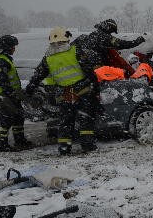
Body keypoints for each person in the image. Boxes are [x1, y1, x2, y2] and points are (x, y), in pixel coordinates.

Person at [25, 27, 99, 155]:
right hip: (82, 92)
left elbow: (38, 75)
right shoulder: (75, 51)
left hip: (63, 95)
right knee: (85, 118)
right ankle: (87, 145)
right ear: (65, 39)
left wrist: (30, 88)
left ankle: (64, 147)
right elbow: (88, 69)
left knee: (66, 121)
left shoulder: (47, 58)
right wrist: (95, 86)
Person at [0, 35, 33, 152]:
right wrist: (11, 93)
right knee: (6, 120)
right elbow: (2, 80)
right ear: (7, 47)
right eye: (13, 46)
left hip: (12, 95)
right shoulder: (1, 61)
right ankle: (2, 145)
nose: (15, 49)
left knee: (19, 117)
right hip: (5, 96)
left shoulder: (6, 58)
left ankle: (20, 140)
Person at [72, 19, 146, 79]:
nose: (111, 34)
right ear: (108, 28)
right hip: (95, 67)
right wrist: (138, 40)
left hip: (82, 66)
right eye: (111, 31)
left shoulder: (91, 36)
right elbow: (122, 44)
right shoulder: (104, 37)